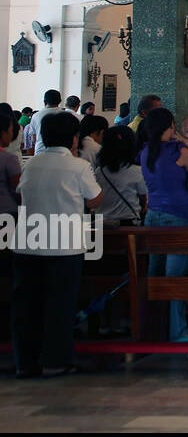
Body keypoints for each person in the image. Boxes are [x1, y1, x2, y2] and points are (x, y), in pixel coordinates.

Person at [10, 111, 102, 378]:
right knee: (59, 306)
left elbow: (20, 194)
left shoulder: (31, 165)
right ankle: (55, 362)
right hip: (64, 245)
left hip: (28, 243)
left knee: (26, 307)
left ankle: (24, 363)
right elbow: (95, 200)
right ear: (74, 139)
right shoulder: (78, 166)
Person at [139, 106, 188, 340]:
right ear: (170, 127)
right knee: (174, 279)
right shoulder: (179, 151)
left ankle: (152, 328)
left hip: (152, 217)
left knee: (154, 275)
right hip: (178, 216)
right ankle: (177, 330)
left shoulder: (145, 151)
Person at [93, 125, 147, 226]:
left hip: (102, 223)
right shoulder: (137, 171)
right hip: (128, 223)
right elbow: (143, 199)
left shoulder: (99, 172)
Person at [30, 88, 63, 155]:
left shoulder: (36, 115)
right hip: (61, 152)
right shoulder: (66, 115)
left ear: (44, 101)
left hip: (41, 150)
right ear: (60, 101)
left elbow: (34, 137)